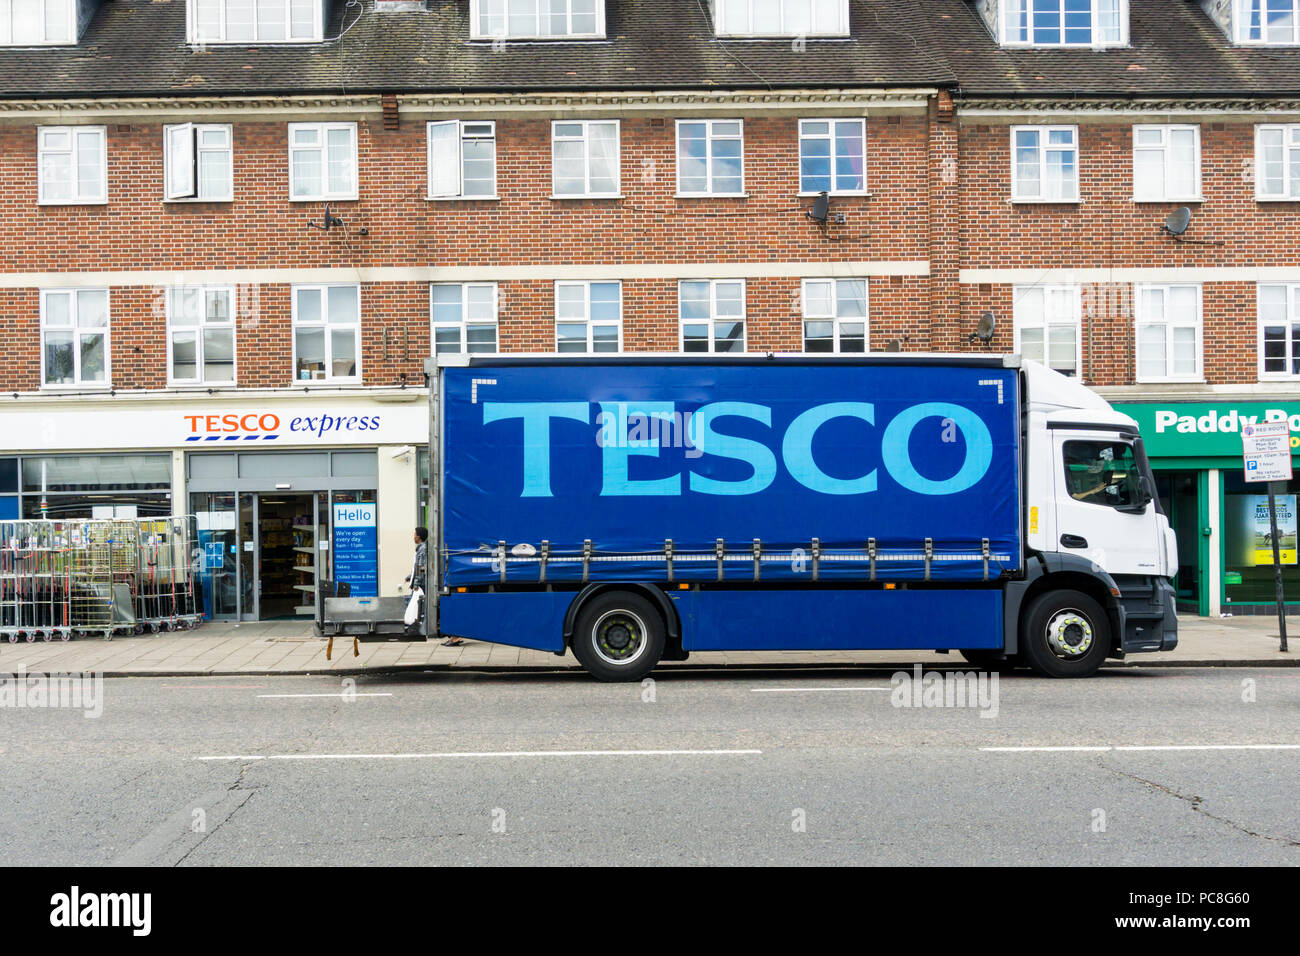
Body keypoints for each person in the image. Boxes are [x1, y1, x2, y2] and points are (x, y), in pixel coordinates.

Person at [403, 527, 429, 638]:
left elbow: (421, 567)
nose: (413, 536)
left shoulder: (422, 549)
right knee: (414, 606)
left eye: (414, 534)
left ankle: (415, 628)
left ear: (418, 536)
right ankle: (414, 627)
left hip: (419, 585)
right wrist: (410, 577)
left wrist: (417, 583)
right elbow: (416, 567)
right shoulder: (420, 549)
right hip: (417, 583)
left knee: (416, 607)